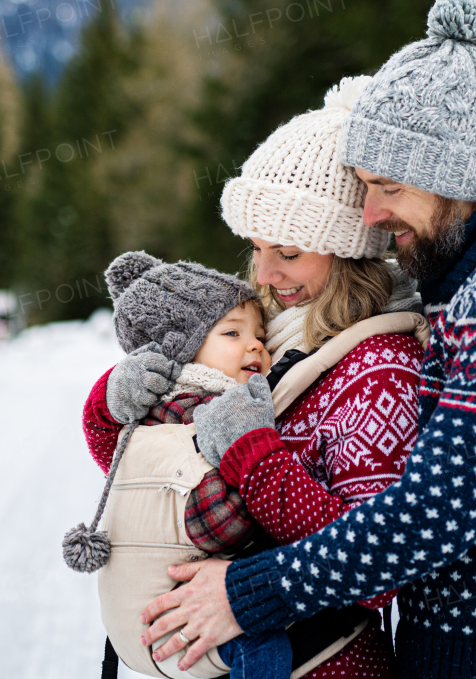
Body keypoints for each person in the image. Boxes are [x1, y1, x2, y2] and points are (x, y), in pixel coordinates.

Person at [138, 0, 476, 679]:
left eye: (388, 186)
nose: (372, 213)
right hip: (464, 658)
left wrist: (249, 593)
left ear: (456, 176)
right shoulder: (471, 279)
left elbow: (432, 514)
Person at [82, 77, 429, 679]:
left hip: (326, 665)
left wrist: (253, 457)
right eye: (256, 247)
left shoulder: (378, 373)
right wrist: (113, 403)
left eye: (288, 252)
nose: (265, 274)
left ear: (349, 253)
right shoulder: (267, 333)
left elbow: (374, 567)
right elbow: (147, 468)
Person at [68, 250, 287, 679]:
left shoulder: (159, 411)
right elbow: (221, 525)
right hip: (181, 624)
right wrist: (257, 451)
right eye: (232, 333)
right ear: (180, 349)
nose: (256, 344)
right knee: (266, 640)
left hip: (139, 633)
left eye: (261, 333)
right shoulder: (201, 414)